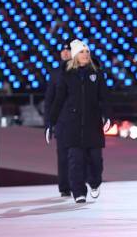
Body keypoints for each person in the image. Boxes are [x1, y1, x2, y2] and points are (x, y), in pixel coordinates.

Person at [49, 40, 110, 203]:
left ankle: (95, 182)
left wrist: (108, 116)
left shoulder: (96, 73)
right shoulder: (66, 75)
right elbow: (58, 100)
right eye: (82, 52)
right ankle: (78, 192)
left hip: (93, 124)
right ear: (75, 55)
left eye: (87, 52)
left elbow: (104, 97)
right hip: (73, 125)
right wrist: (50, 122)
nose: (86, 55)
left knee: (96, 160)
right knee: (75, 160)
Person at [43, 38, 73, 197]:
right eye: (63, 50)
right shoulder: (55, 74)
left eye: (68, 50)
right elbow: (49, 100)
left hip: (77, 120)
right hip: (61, 121)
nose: (65, 52)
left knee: (77, 155)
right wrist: (48, 123)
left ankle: (78, 184)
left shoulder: (81, 71)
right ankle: (64, 187)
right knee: (62, 155)